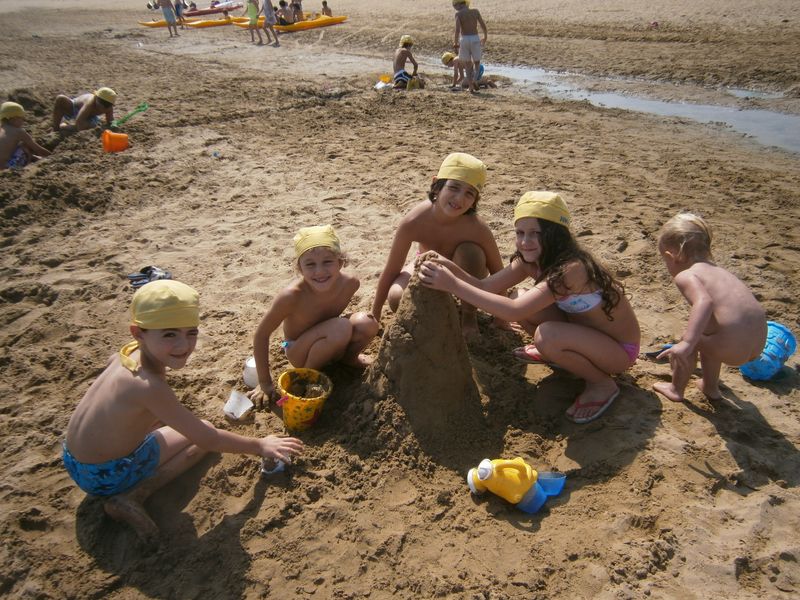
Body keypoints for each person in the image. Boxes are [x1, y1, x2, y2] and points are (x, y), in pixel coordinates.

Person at [62, 280, 304, 542]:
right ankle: (135, 495)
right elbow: (208, 439)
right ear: (138, 333)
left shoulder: (127, 354)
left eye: (191, 333)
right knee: (204, 433)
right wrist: (260, 445)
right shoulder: (149, 386)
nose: (184, 345)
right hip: (105, 475)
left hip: (74, 460)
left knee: (165, 422)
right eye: (169, 334)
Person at [419, 191, 641, 423]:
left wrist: (452, 285)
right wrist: (448, 266)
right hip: (583, 334)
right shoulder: (529, 261)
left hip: (618, 351)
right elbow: (485, 287)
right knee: (521, 297)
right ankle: (557, 353)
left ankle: (601, 384)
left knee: (546, 335)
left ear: (556, 234)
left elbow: (513, 311)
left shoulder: (572, 269)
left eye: (536, 233)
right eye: (520, 233)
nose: (525, 241)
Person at [371, 152, 504, 337]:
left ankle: (468, 316)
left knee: (470, 253)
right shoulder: (414, 220)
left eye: (469, 193)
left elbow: (498, 272)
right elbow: (392, 269)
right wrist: (375, 313)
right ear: (436, 186)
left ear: (475, 200)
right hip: (429, 267)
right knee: (396, 297)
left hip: (466, 275)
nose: (459, 199)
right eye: (454, 187)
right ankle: (439, 313)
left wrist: (502, 318)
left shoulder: (476, 228)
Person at [248, 225, 379, 406]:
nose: (319, 271)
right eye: (310, 264)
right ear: (300, 268)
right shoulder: (291, 297)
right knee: (340, 327)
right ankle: (305, 376)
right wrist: (264, 383)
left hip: (330, 336)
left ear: (340, 262)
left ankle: (349, 359)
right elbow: (261, 335)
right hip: (294, 347)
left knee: (368, 322)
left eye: (327, 262)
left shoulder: (350, 284)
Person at [652, 213, 767, 402]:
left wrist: (687, 343)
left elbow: (704, 302)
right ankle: (710, 387)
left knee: (689, 339)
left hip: (731, 346)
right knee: (706, 332)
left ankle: (675, 389)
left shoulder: (686, 276)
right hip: (758, 345)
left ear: (671, 256)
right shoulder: (720, 272)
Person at [0, 102, 51, 171]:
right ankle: (29, 165)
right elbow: (39, 150)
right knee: (25, 146)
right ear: (14, 118)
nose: (23, 121)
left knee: (19, 146)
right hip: (6, 169)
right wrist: (53, 157)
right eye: (22, 118)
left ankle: (35, 158)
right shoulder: (18, 131)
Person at [452, 0, 487, 93]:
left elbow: (457, 30)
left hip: (464, 39)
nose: (455, 8)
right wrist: (485, 36)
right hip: (475, 37)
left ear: (459, 4)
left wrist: (455, 43)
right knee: (477, 62)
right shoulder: (475, 11)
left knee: (467, 64)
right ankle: (475, 80)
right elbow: (483, 25)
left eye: (455, 6)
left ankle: (471, 87)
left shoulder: (458, 14)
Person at [52, 87, 116, 133]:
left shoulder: (109, 108)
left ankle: (64, 127)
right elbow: (79, 122)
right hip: (74, 108)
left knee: (91, 125)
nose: (102, 108)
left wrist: (115, 125)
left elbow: (110, 121)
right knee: (60, 98)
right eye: (100, 104)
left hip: (90, 118)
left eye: (106, 106)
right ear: (96, 97)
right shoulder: (90, 103)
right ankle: (56, 128)